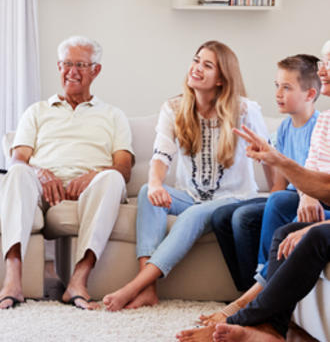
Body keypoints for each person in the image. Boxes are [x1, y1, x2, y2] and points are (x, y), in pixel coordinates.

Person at [177, 48, 330, 342]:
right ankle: (271, 326)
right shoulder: (324, 122)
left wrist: (313, 222)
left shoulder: (316, 122)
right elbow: (316, 182)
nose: (323, 70)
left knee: (307, 234)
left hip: (317, 211)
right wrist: (277, 160)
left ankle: (243, 315)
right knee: (285, 231)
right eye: (323, 63)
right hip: (309, 203)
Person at [103, 41, 269, 312]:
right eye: (196, 60)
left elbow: (268, 154)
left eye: (207, 65)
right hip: (191, 196)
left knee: (194, 214)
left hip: (234, 199)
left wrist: (274, 193)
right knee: (147, 192)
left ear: (221, 79)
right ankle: (149, 290)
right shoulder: (174, 108)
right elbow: (161, 155)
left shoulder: (245, 110)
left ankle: (134, 286)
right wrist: (156, 183)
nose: (197, 68)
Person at [0, 35, 134, 310]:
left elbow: (124, 167)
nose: (72, 71)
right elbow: (18, 159)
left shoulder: (113, 115)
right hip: (43, 184)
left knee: (113, 178)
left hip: (91, 187)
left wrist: (94, 175)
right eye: (67, 63)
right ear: (58, 67)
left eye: (81, 64)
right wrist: (41, 172)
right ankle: (12, 280)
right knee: (18, 173)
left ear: (96, 70)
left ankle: (78, 281)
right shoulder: (37, 111)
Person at [209, 54, 320, 292]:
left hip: (310, 200)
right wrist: (263, 157)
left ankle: (265, 281)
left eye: (287, 87)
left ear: (310, 94)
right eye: (277, 86)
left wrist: (279, 201)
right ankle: (247, 289)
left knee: (248, 215)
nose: (278, 93)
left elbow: (314, 182)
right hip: (288, 198)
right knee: (222, 217)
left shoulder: (320, 128)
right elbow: (278, 187)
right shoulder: (284, 128)